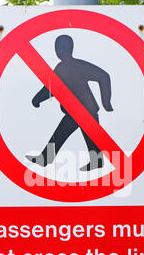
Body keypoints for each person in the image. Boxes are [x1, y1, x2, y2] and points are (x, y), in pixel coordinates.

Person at [26, 34, 113, 171]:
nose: (59, 50)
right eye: (57, 47)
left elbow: (103, 76)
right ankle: (95, 160)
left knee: (65, 133)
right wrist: (37, 99)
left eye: (62, 47)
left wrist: (106, 102)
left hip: (85, 110)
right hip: (76, 111)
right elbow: (51, 87)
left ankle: (46, 158)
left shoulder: (76, 65)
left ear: (70, 48)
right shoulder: (61, 68)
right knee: (80, 136)